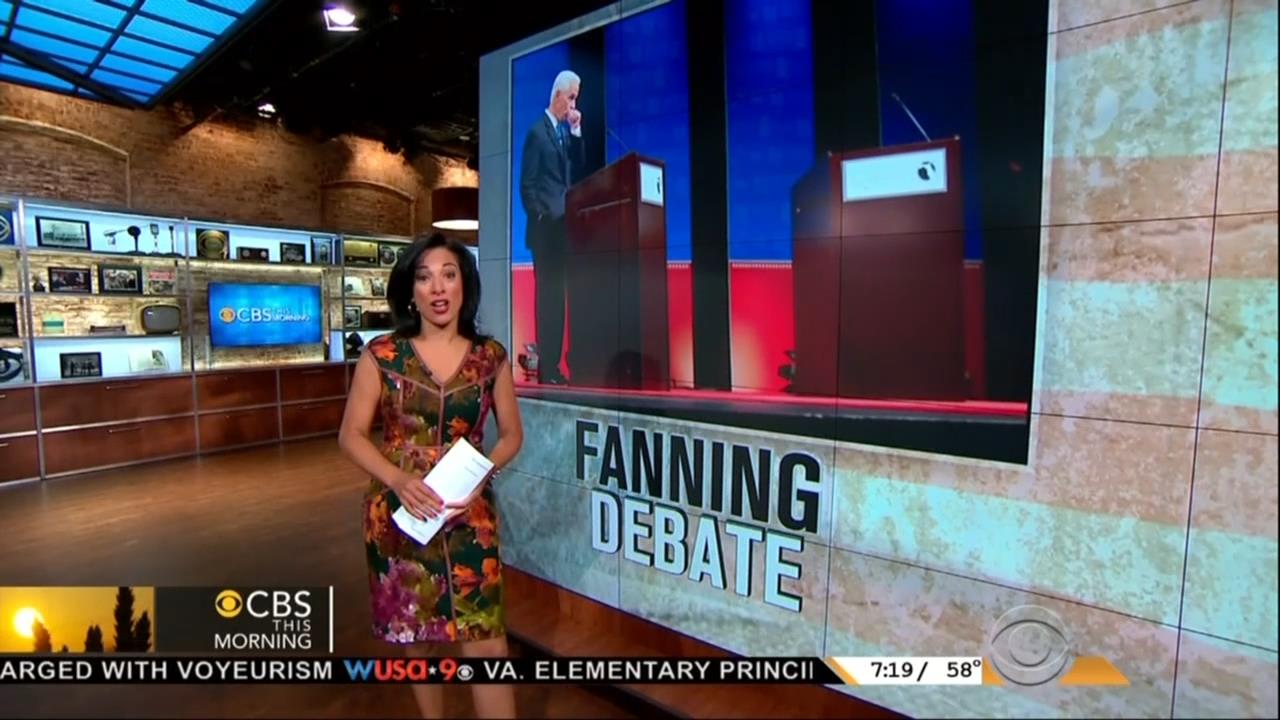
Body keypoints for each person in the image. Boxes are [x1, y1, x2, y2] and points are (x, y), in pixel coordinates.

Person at [338, 233, 523, 719]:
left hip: (469, 514)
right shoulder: (382, 355)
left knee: (486, 640)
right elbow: (351, 436)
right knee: (417, 640)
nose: (437, 288)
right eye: (424, 278)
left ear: (465, 285)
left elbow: (511, 436)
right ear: (410, 291)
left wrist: (482, 477)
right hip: (402, 515)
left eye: (448, 275)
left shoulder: (491, 357)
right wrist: (398, 481)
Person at [519, 69, 584, 385]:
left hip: (564, 232)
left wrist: (576, 130)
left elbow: (578, 166)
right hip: (546, 233)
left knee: (560, 301)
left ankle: (555, 368)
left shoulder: (562, 133)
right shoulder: (537, 133)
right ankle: (548, 369)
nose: (573, 105)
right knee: (549, 302)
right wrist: (541, 216)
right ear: (558, 95)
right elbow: (527, 184)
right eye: (571, 98)